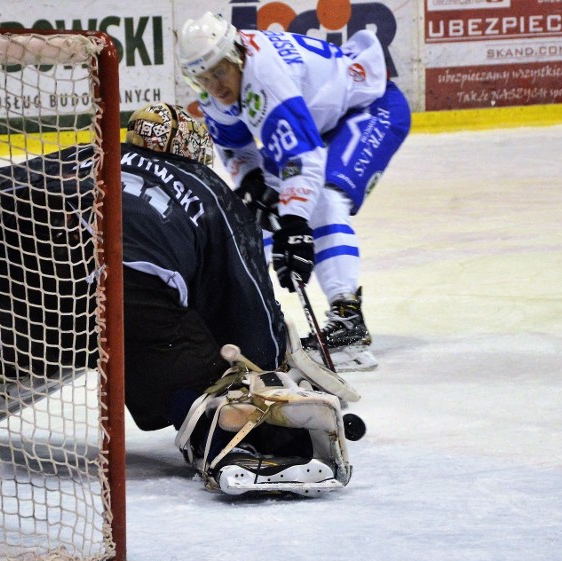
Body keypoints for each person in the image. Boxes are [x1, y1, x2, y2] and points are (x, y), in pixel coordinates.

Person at [0, 103, 361, 496]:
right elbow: (242, 296)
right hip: (137, 305)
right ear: (196, 155)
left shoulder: (86, 156)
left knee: (14, 342)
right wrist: (265, 367)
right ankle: (235, 432)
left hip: (40, 290)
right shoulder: (207, 186)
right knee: (195, 372)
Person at [176, 12, 413, 371]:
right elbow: (236, 147)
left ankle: (349, 324)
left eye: (220, 72)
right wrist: (254, 182)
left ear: (237, 55)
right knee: (261, 215)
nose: (215, 86)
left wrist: (296, 224)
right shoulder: (217, 86)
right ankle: (258, 321)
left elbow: (304, 155)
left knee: (324, 200)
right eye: (203, 78)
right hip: (316, 121)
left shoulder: (265, 76)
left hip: (369, 108)